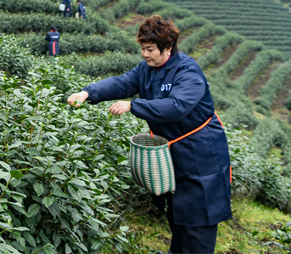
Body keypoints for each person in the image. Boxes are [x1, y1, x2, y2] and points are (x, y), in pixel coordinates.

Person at [67, 15, 231, 254]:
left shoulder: (187, 71)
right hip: (173, 153)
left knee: (199, 221)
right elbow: (122, 83)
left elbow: (176, 107)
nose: (145, 54)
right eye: (143, 49)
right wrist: (87, 93)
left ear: (168, 48)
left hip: (200, 154)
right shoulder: (147, 69)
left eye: (150, 49)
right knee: (179, 216)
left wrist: (134, 106)